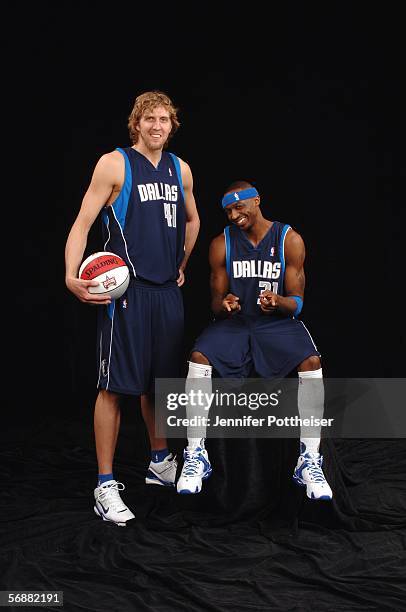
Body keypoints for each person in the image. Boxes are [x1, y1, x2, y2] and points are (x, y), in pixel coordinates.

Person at [65, 91, 200, 526]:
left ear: (172, 124)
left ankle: (160, 461)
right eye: (150, 119)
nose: (158, 126)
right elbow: (83, 222)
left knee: (158, 386)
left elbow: (192, 219)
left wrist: (181, 262)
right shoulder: (115, 163)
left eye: (165, 119)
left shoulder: (181, 169)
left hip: (167, 294)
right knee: (115, 387)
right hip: (127, 294)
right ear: (136, 124)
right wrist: (72, 277)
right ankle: (105, 485)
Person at [176, 181, 333, 501]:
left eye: (239, 208)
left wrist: (280, 302)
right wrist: (225, 305)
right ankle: (195, 454)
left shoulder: (290, 239)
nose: (234, 216)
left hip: (277, 324)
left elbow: (298, 301)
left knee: (311, 362)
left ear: (256, 201)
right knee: (199, 356)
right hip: (238, 324)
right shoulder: (222, 243)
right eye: (228, 211)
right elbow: (216, 303)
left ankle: (309, 459)